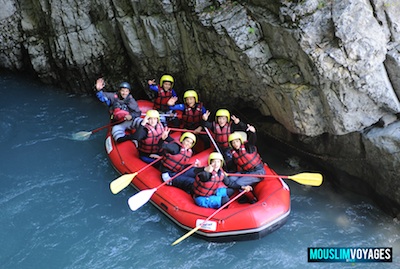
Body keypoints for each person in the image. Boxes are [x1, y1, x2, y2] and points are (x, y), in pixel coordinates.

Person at [95, 77, 142, 143]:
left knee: (142, 123)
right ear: (119, 91)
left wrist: (131, 116)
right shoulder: (113, 96)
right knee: (117, 138)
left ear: (129, 92)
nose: (124, 93)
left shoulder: (131, 100)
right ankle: (130, 138)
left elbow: (138, 113)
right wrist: (98, 90)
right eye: (122, 90)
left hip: (129, 121)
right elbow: (102, 97)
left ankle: (138, 138)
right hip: (117, 123)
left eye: (126, 91)